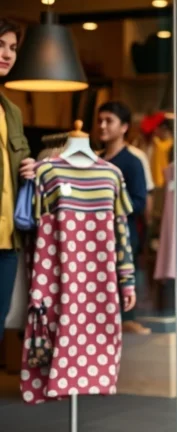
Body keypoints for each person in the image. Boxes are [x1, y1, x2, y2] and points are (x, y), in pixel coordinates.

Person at [97, 101, 151, 334]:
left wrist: (110, 208)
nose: (102, 126)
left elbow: (139, 201)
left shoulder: (132, 161)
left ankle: (127, 318)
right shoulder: (95, 159)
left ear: (124, 127)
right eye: (100, 120)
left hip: (124, 233)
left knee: (123, 276)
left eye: (109, 121)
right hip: (96, 234)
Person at [0, 18, 36, 342]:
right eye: (0, 45)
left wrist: (29, 169)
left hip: (7, 239)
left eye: (12, 48)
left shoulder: (12, 111)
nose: (8, 54)